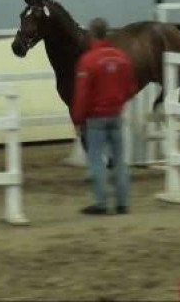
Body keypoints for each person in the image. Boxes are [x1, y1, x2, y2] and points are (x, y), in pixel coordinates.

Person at [71, 17, 137, 215]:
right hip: (116, 116)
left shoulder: (88, 60)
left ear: (91, 34)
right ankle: (123, 202)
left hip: (95, 119)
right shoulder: (122, 57)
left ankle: (101, 203)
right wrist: (119, 102)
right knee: (120, 159)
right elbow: (131, 87)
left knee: (96, 160)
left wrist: (78, 119)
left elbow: (82, 95)